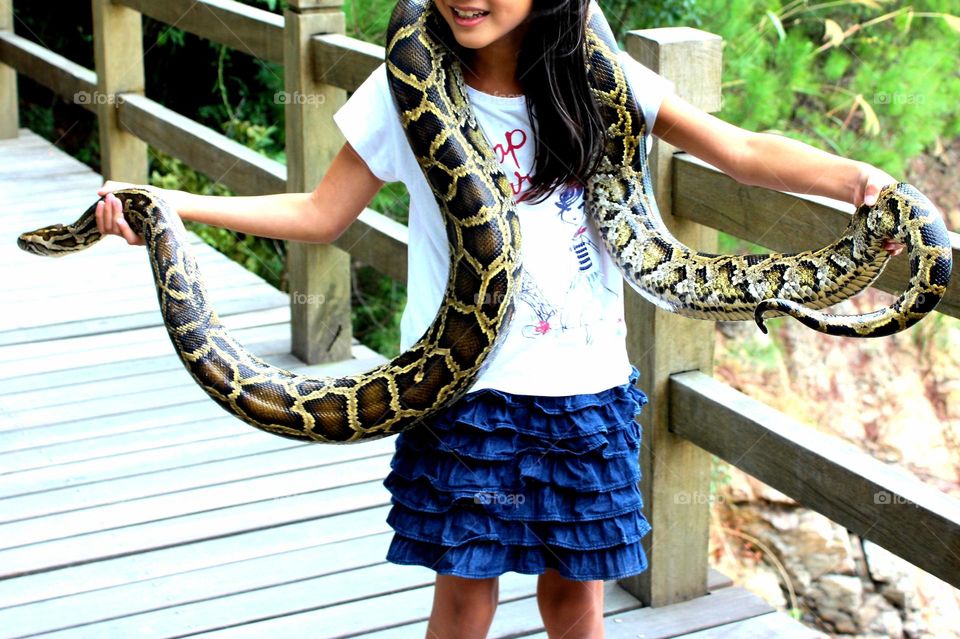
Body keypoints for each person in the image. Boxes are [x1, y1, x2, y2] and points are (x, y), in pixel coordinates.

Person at [95, 2, 907, 637]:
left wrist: (861, 183)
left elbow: (739, 151)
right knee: (461, 603)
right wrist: (173, 205)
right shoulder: (404, 88)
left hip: (583, 396)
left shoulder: (601, 82)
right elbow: (320, 212)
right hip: (462, 396)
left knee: (576, 606)